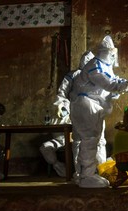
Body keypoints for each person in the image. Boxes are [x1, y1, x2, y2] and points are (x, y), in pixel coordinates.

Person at [70, 35, 128, 188]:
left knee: (94, 139)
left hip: (92, 106)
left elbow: (112, 86)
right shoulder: (95, 65)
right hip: (86, 105)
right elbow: (108, 83)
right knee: (89, 139)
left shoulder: (103, 65)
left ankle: (90, 173)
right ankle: (86, 176)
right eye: (112, 53)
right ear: (109, 52)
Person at [40, 51, 107, 182]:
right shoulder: (73, 75)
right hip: (79, 113)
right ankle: (80, 173)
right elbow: (62, 93)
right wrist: (62, 106)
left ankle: (100, 172)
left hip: (96, 113)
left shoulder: (99, 75)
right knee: (78, 143)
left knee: (99, 142)